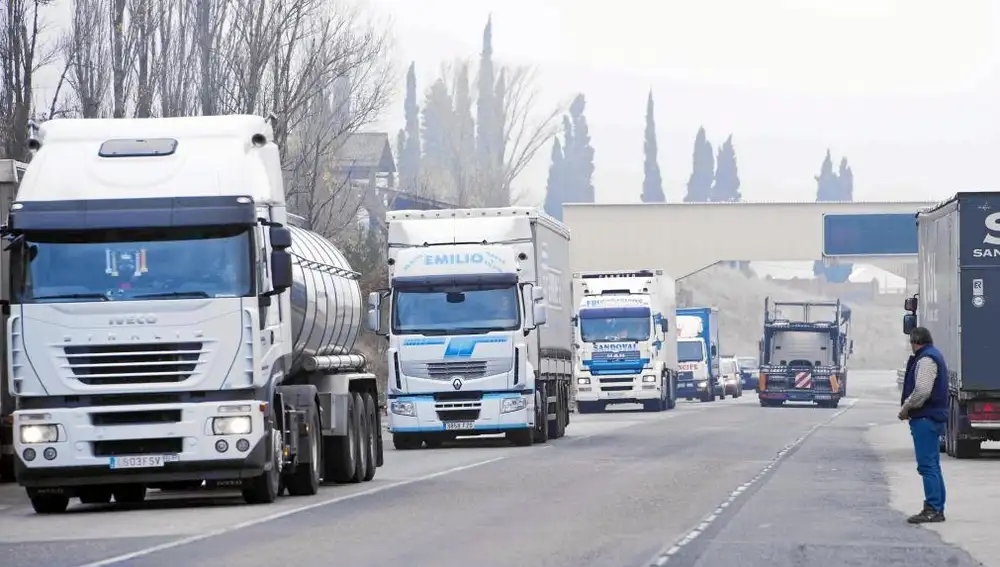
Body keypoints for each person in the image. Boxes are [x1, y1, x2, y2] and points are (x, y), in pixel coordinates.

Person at [898, 326, 948, 524]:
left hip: (925, 419)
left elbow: (922, 391)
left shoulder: (926, 359)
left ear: (915, 341)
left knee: (927, 466)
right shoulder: (933, 355)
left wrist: (906, 409)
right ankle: (937, 507)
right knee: (933, 466)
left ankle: (932, 509)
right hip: (932, 418)